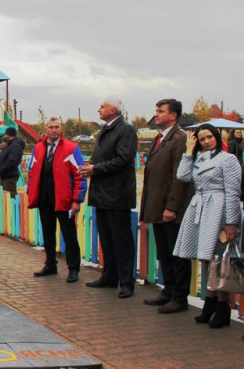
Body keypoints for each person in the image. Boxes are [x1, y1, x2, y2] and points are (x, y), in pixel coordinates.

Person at [174, 124, 242, 329]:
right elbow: (182, 176)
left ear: (217, 137)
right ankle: (210, 302)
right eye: (202, 139)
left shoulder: (228, 159)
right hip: (201, 208)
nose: (206, 142)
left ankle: (222, 305)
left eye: (209, 137)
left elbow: (233, 192)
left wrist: (231, 222)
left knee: (221, 259)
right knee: (207, 258)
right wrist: (188, 150)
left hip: (219, 209)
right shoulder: (199, 158)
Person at [78, 98, 138, 298]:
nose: (99, 109)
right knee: (106, 238)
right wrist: (89, 167)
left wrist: (95, 169)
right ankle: (110, 276)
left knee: (121, 240)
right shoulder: (106, 129)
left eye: (102, 107)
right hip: (102, 193)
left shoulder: (125, 130)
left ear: (113, 109)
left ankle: (126, 282)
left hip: (117, 194)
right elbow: (103, 157)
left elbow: (123, 159)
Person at [139, 99, 194, 314]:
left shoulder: (179, 138)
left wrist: (172, 207)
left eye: (161, 111)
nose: (157, 114)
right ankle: (169, 290)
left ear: (173, 115)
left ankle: (180, 297)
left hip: (171, 209)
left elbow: (179, 176)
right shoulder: (160, 137)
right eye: (156, 110)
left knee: (177, 255)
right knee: (164, 252)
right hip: (157, 206)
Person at [27, 117, 87, 282]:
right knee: (48, 233)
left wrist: (77, 200)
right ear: (45, 129)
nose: (54, 130)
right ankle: (50, 264)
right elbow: (32, 172)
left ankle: (73, 269)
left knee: (69, 235)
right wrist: (31, 193)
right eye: (51, 127)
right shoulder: (38, 148)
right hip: (45, 198)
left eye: (57, 127)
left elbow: (80, 175)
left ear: (61, 129)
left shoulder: (71, 148)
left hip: (64, 199)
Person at [0, 127, 24, 198]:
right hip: (6, 174)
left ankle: (15, 205)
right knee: (6, 196)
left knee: (10, 196)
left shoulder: (15, 145)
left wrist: (2, 169)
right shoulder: (11, 144)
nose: (5, 135)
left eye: (6, 134)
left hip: (9, 175)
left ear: (9, 134)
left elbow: (11, 161)